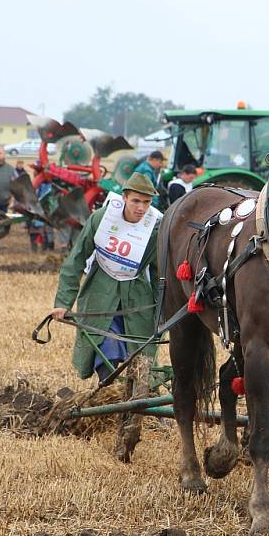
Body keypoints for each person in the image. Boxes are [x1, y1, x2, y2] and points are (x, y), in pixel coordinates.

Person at [50, 173, 161, 462]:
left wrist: (164, 311)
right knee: (107, 352)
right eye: (136, 201)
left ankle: (146, 407)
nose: (141, 208)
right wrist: (62, 302)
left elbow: (163, 274)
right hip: (101, 293)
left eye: (146, 203)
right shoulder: (101, 219)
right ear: (125, 197)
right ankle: (110, 404)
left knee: (143, 356)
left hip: (137, 296)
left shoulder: (156, 227)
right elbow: (75, 259)